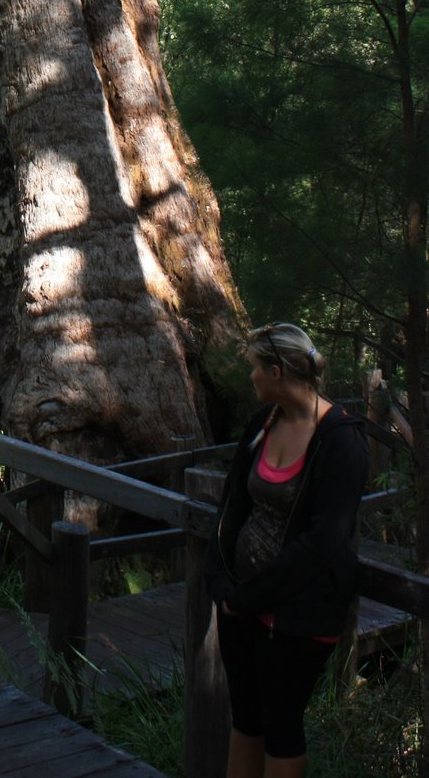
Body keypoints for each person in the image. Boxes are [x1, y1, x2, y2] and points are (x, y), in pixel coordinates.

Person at [205, 323, 368, 778]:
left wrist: (247, 597)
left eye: (255, 368)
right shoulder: (263, 423)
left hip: (296, 615)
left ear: (276, 372)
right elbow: (232, 504)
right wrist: (218, 579)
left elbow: (323, 542)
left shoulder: (341, 441)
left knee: (281, 726)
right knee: (246, 718)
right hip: (239, 606)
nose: (251, 377)